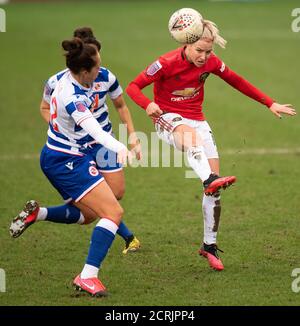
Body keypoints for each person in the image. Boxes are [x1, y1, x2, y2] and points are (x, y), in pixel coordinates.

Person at [126, 18, 296, 271]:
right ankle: (207, 178)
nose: (205, 57)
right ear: (187, 43)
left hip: (197, 120)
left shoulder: (212, 62)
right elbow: (133, 87)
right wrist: (147, 104)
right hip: (167, 119)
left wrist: (269, 102)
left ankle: (209, 245)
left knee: (214, 190)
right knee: (202, 163)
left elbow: (237, 81)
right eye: (200, 51)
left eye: (209, 51)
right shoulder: (165, 63)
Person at [10, 27, 141, 255]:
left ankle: (40, 213)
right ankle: (126, 240)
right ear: (83, 68)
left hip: (101, 144)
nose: (101, 69)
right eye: (97, 64)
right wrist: (61, 129)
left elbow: (120, 106)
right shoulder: (61, 86)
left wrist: (132, 136)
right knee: (100, 210)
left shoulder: (103, 77)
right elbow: (45, 108)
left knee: (110, 197)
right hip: (75, 150)